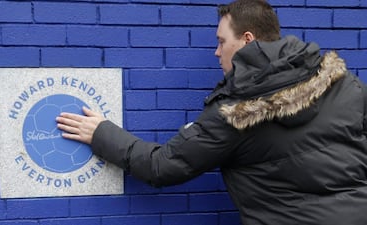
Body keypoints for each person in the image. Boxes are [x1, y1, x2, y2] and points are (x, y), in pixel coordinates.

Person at [56, 0, 367, 224]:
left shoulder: (239, 114)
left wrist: (100, 133)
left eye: (221, 41)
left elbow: (162, 166)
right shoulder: (345, 85)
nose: (217, 52)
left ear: (247, 40)